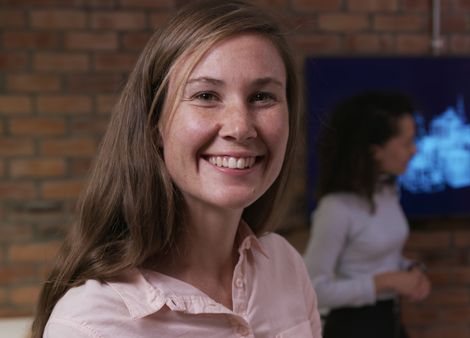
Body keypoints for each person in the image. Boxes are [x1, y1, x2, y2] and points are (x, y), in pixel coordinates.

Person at [30, 1, 321, 337]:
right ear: (155, 123)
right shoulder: (91, 325)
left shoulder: (284, 265)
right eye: (206, 95)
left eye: (262, 97)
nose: (240, 127)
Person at [304, 91, 431, 338]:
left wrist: (412, 269)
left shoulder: (387, 191)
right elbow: (313, 290)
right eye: (406, 143)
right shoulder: (336, 208)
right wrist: (384, 282)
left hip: (390, 321)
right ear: (375, 152)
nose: (414, 150)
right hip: (352, 327)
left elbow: (378, 256)